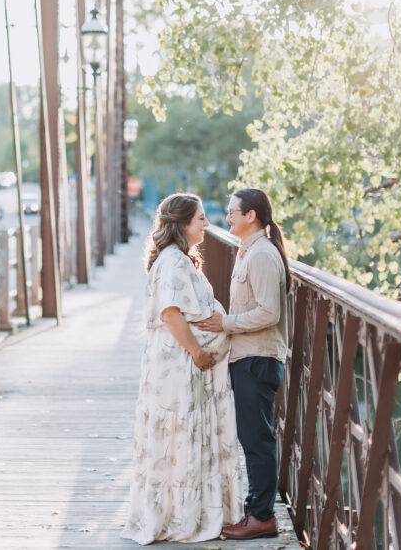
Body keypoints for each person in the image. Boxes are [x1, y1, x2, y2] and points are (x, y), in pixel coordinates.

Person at [121, 193, 243, 545]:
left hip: (178, 361)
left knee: (180, 437)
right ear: (183, 224)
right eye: (201, 219)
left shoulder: (176, 259)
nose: (207, 225)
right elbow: (171, 313)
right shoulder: (174, 262)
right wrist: (197, 353)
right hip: (179, 362)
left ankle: (184, 510)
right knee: (179, 434)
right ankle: (181, 516)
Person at [192, 188, 289, 540]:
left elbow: (268, 312)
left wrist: (225, 324)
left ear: (251, 216)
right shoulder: (248, 251)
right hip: (247, 357)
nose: (228, 215)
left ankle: (262, 517)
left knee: (258, 440)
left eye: (234, 211)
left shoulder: (261, 255)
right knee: (252, 438)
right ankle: (256, 510)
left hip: (258, 359)